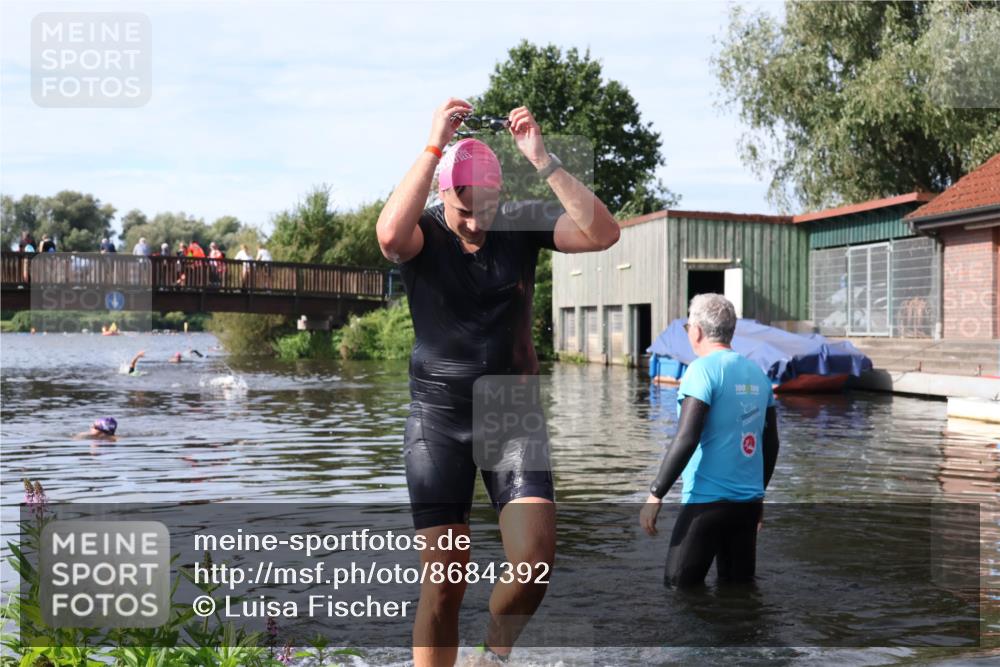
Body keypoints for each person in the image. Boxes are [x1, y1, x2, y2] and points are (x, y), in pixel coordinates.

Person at [376, 98, 620, 667]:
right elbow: (389, 236)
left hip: (511, 413)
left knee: (534, 561)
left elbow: (604, 233)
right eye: (465, 206)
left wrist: (542, 158)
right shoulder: (424, 234)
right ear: (443, 193)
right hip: (438, 418)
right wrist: (435, 140)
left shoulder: (519, 224)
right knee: (445, 582)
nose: (478, 219)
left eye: (488, 204)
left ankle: (492, 654)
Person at [640, 293, 780, 589]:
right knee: (738, 593)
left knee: (678, 591)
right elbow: (771, 444)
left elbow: (686, 438)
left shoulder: (701, 371)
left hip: (706, 504)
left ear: (697, 330)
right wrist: (759, 495)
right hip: (747, 506)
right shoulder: (758, 374)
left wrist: (656, 494)